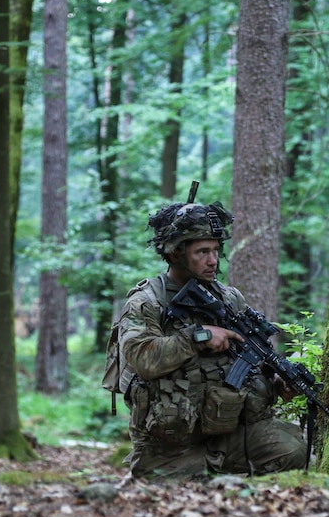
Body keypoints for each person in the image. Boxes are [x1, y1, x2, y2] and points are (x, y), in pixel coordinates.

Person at [117, 200, 308, 478]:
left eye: (216, 250)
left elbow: (253, 358)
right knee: (178, 505)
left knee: (293, 450)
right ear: (176, 253)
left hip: (232, 436)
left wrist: (278, 383)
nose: (213, 260)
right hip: (170, 449)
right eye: (202, 251)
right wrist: (198, 336)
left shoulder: (229, 299)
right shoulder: (148, 301)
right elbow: (142, 359)